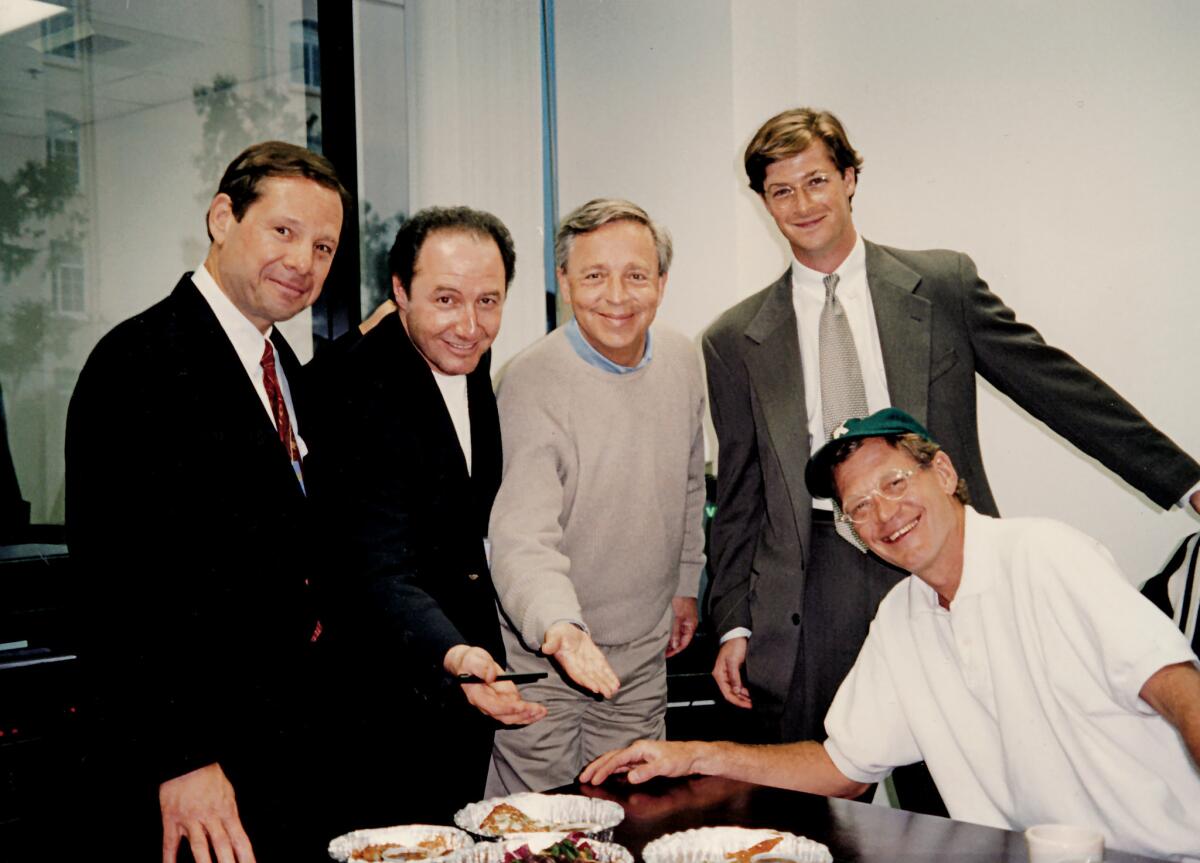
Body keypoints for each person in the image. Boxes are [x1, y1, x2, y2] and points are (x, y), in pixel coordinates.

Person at [703, 107, 1200, 781]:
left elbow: (1056, 386)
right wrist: (733, 621)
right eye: (782, 190)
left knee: (960, 792)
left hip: (942, 562)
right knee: (812, 799)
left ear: (850, 179)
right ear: (763, 201)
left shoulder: (940, 287)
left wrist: (1183, 479)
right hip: (812, 584)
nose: (803, 203)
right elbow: (738, 496)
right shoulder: (736, 337)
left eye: (817, 180)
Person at [582, 408, 1200, 862]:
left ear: (946, 472)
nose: (884, 514)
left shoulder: (1045, 554)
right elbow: (841, 768)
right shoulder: (902, 615)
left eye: (896, 483)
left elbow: (1180, 689)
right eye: (859, 509)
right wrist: (695, 753)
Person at [65, 140, 349, 861]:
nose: (303, 261)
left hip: (282, 753)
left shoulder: (282, 365)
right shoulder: (138, 362)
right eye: (283, 231)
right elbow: (117, 587)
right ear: (222, 217)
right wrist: (180, 756)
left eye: (323, 246)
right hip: (195, 767)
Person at [305, 206, 545, 828]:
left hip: (459, 697)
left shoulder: (471, 359)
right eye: (445, 298)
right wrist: (456, 655)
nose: (469, 325)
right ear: (400, 293)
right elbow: (375, 566)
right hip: (375, 706)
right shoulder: (353, 389)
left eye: (488, 301)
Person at [485, 198, 707, 794]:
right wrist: (560, 629)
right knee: (536, 829)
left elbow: (689, 481)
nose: (616, 296)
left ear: (661, 282)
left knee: (630, 812)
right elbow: (522, 534)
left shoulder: (685, 359)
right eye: (593, 276)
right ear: (563, 281)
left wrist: (686, 583)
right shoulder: (529, 381)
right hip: (545, 659)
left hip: (640, 656)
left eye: (636, 275)